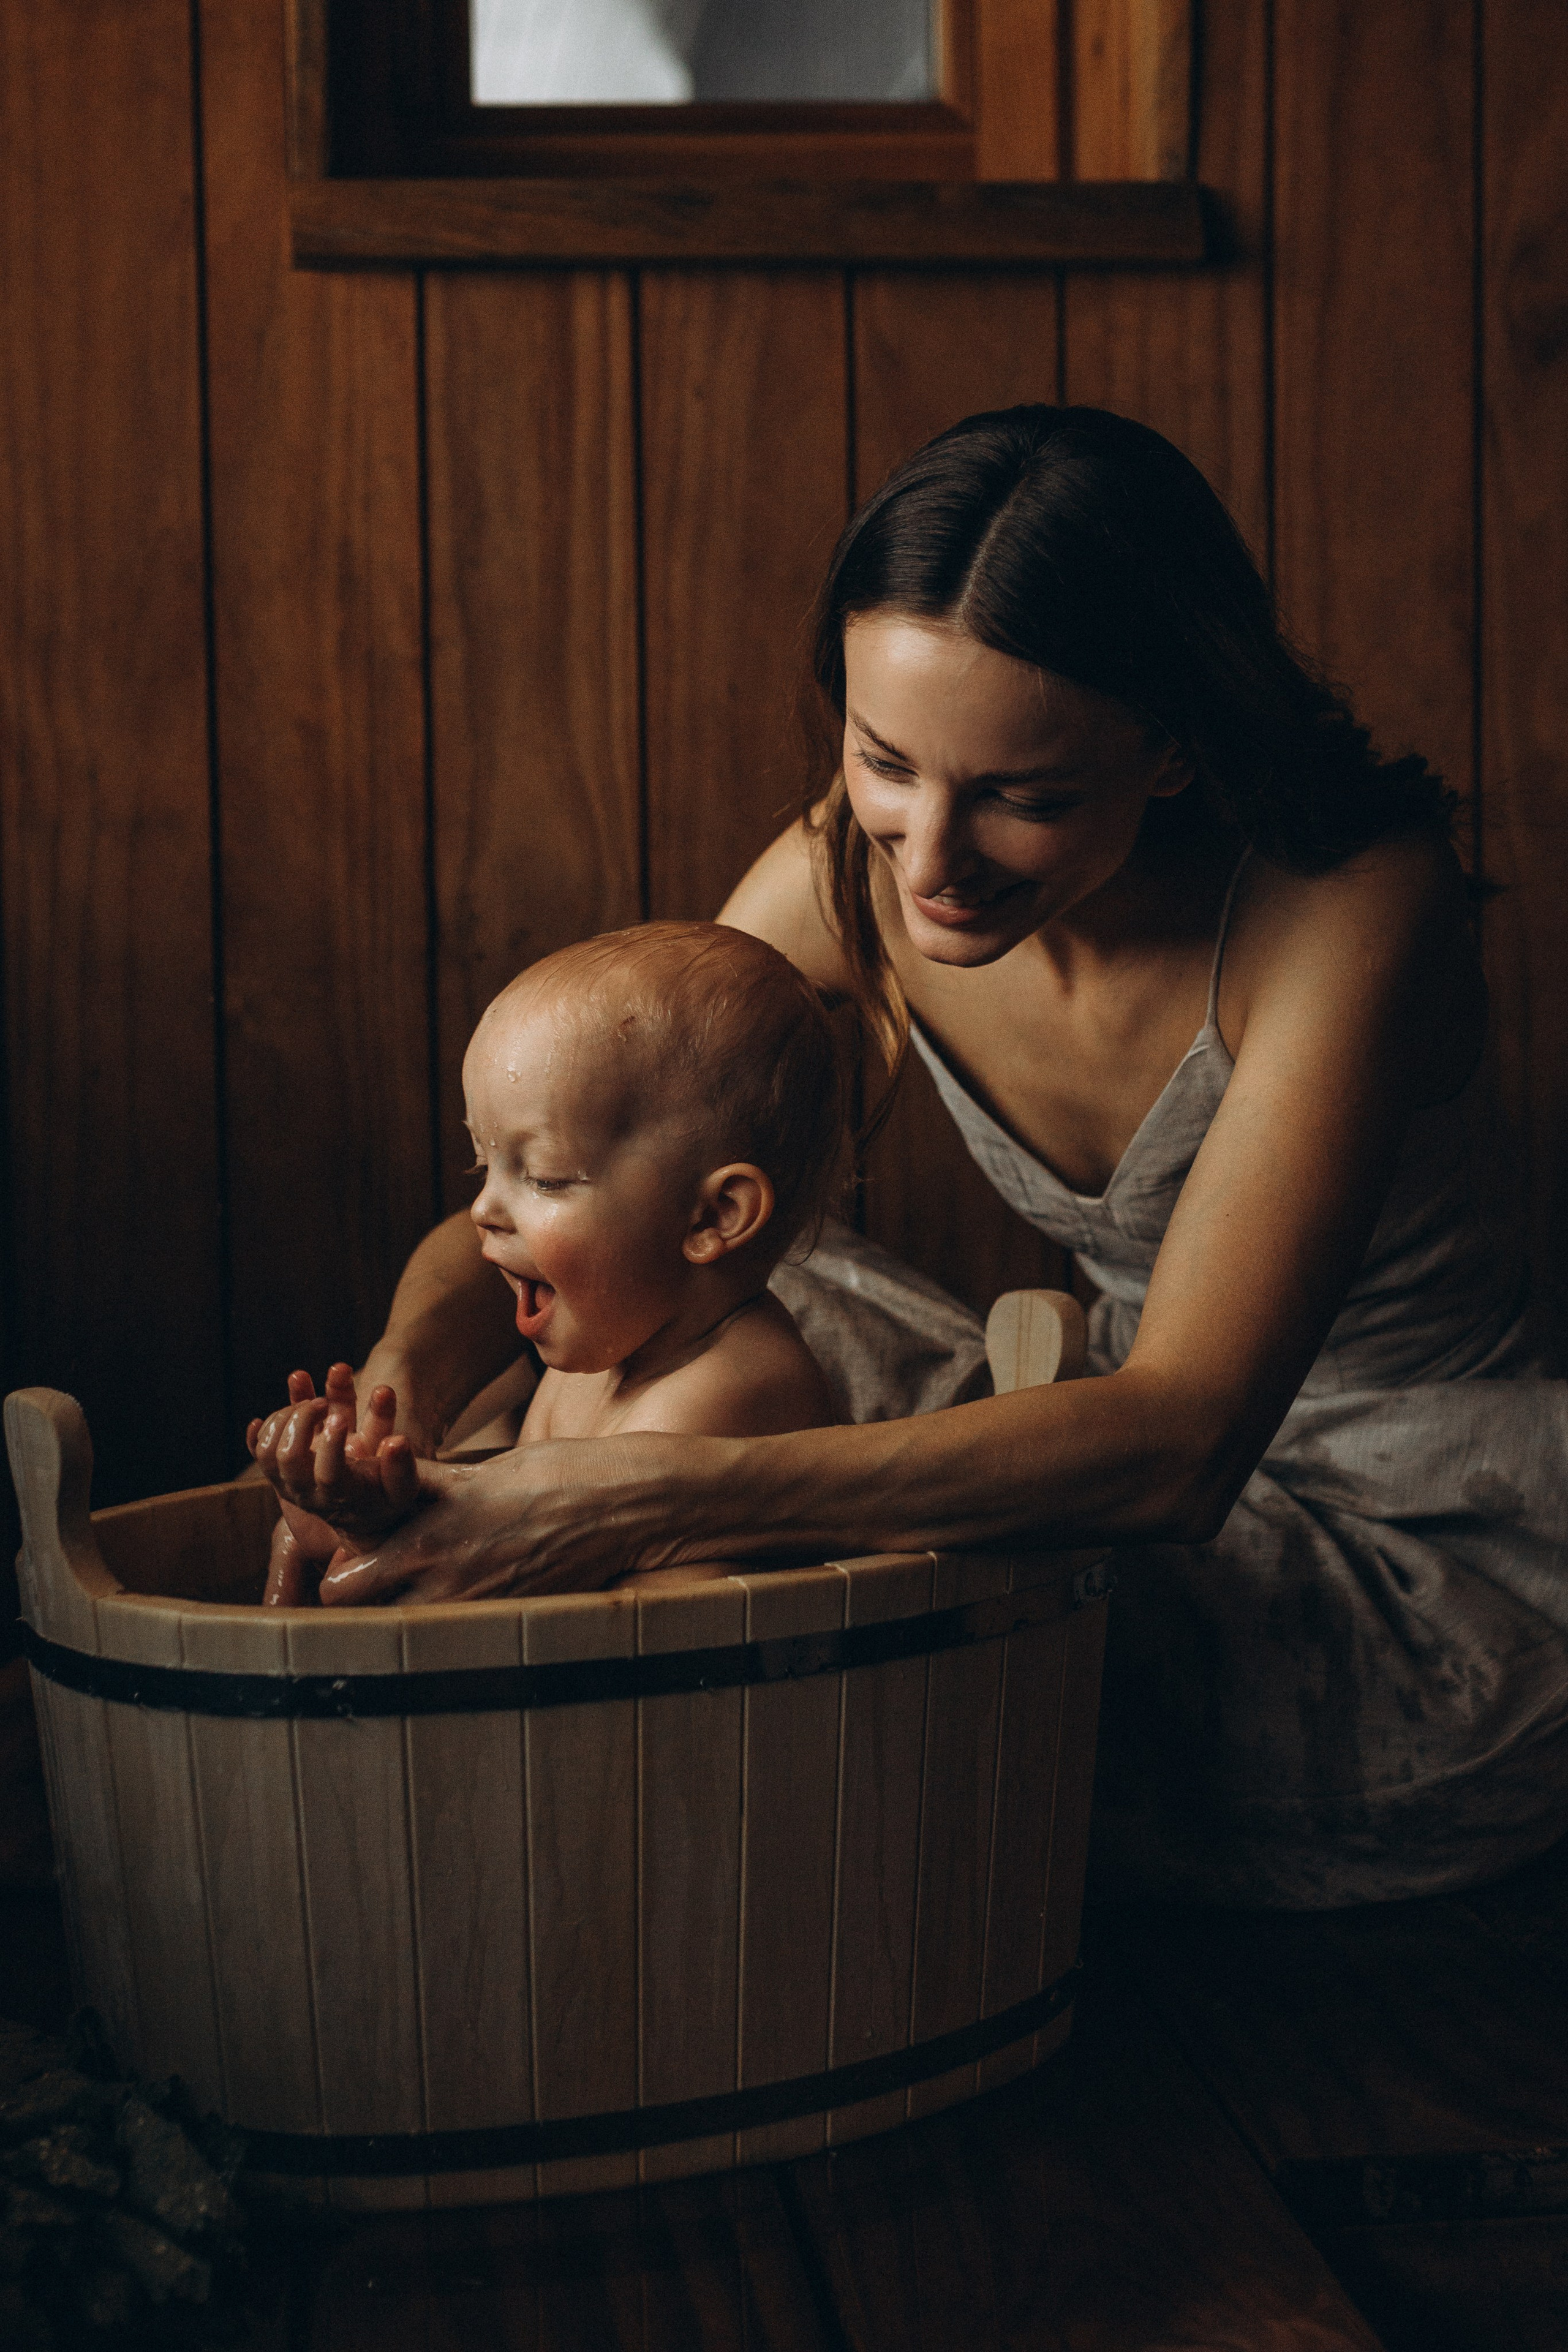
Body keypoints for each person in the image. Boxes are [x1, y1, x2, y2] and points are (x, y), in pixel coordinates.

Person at [270, 405, 1568, 1909]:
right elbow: (582, 1170)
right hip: (1111, 1449)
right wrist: (391, 1412)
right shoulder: (858, 859)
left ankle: (643, 1832)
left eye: (1022, 795)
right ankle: (496, 1737)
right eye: (885, 759)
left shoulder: (1348, 908)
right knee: (659, 1256)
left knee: (733, 1373)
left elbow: (1181, 1442)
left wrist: (623, 1497)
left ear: (1165, 746)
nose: (928, 857)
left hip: (1389, 1545)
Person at [249, 922, 839, 1602]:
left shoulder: (731, 1390)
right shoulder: (612, 1353)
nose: (483, 1209)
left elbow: (624, 1652)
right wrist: (362, 1505)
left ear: (712, 1217)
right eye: (484, 1164)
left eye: (547, 1177)